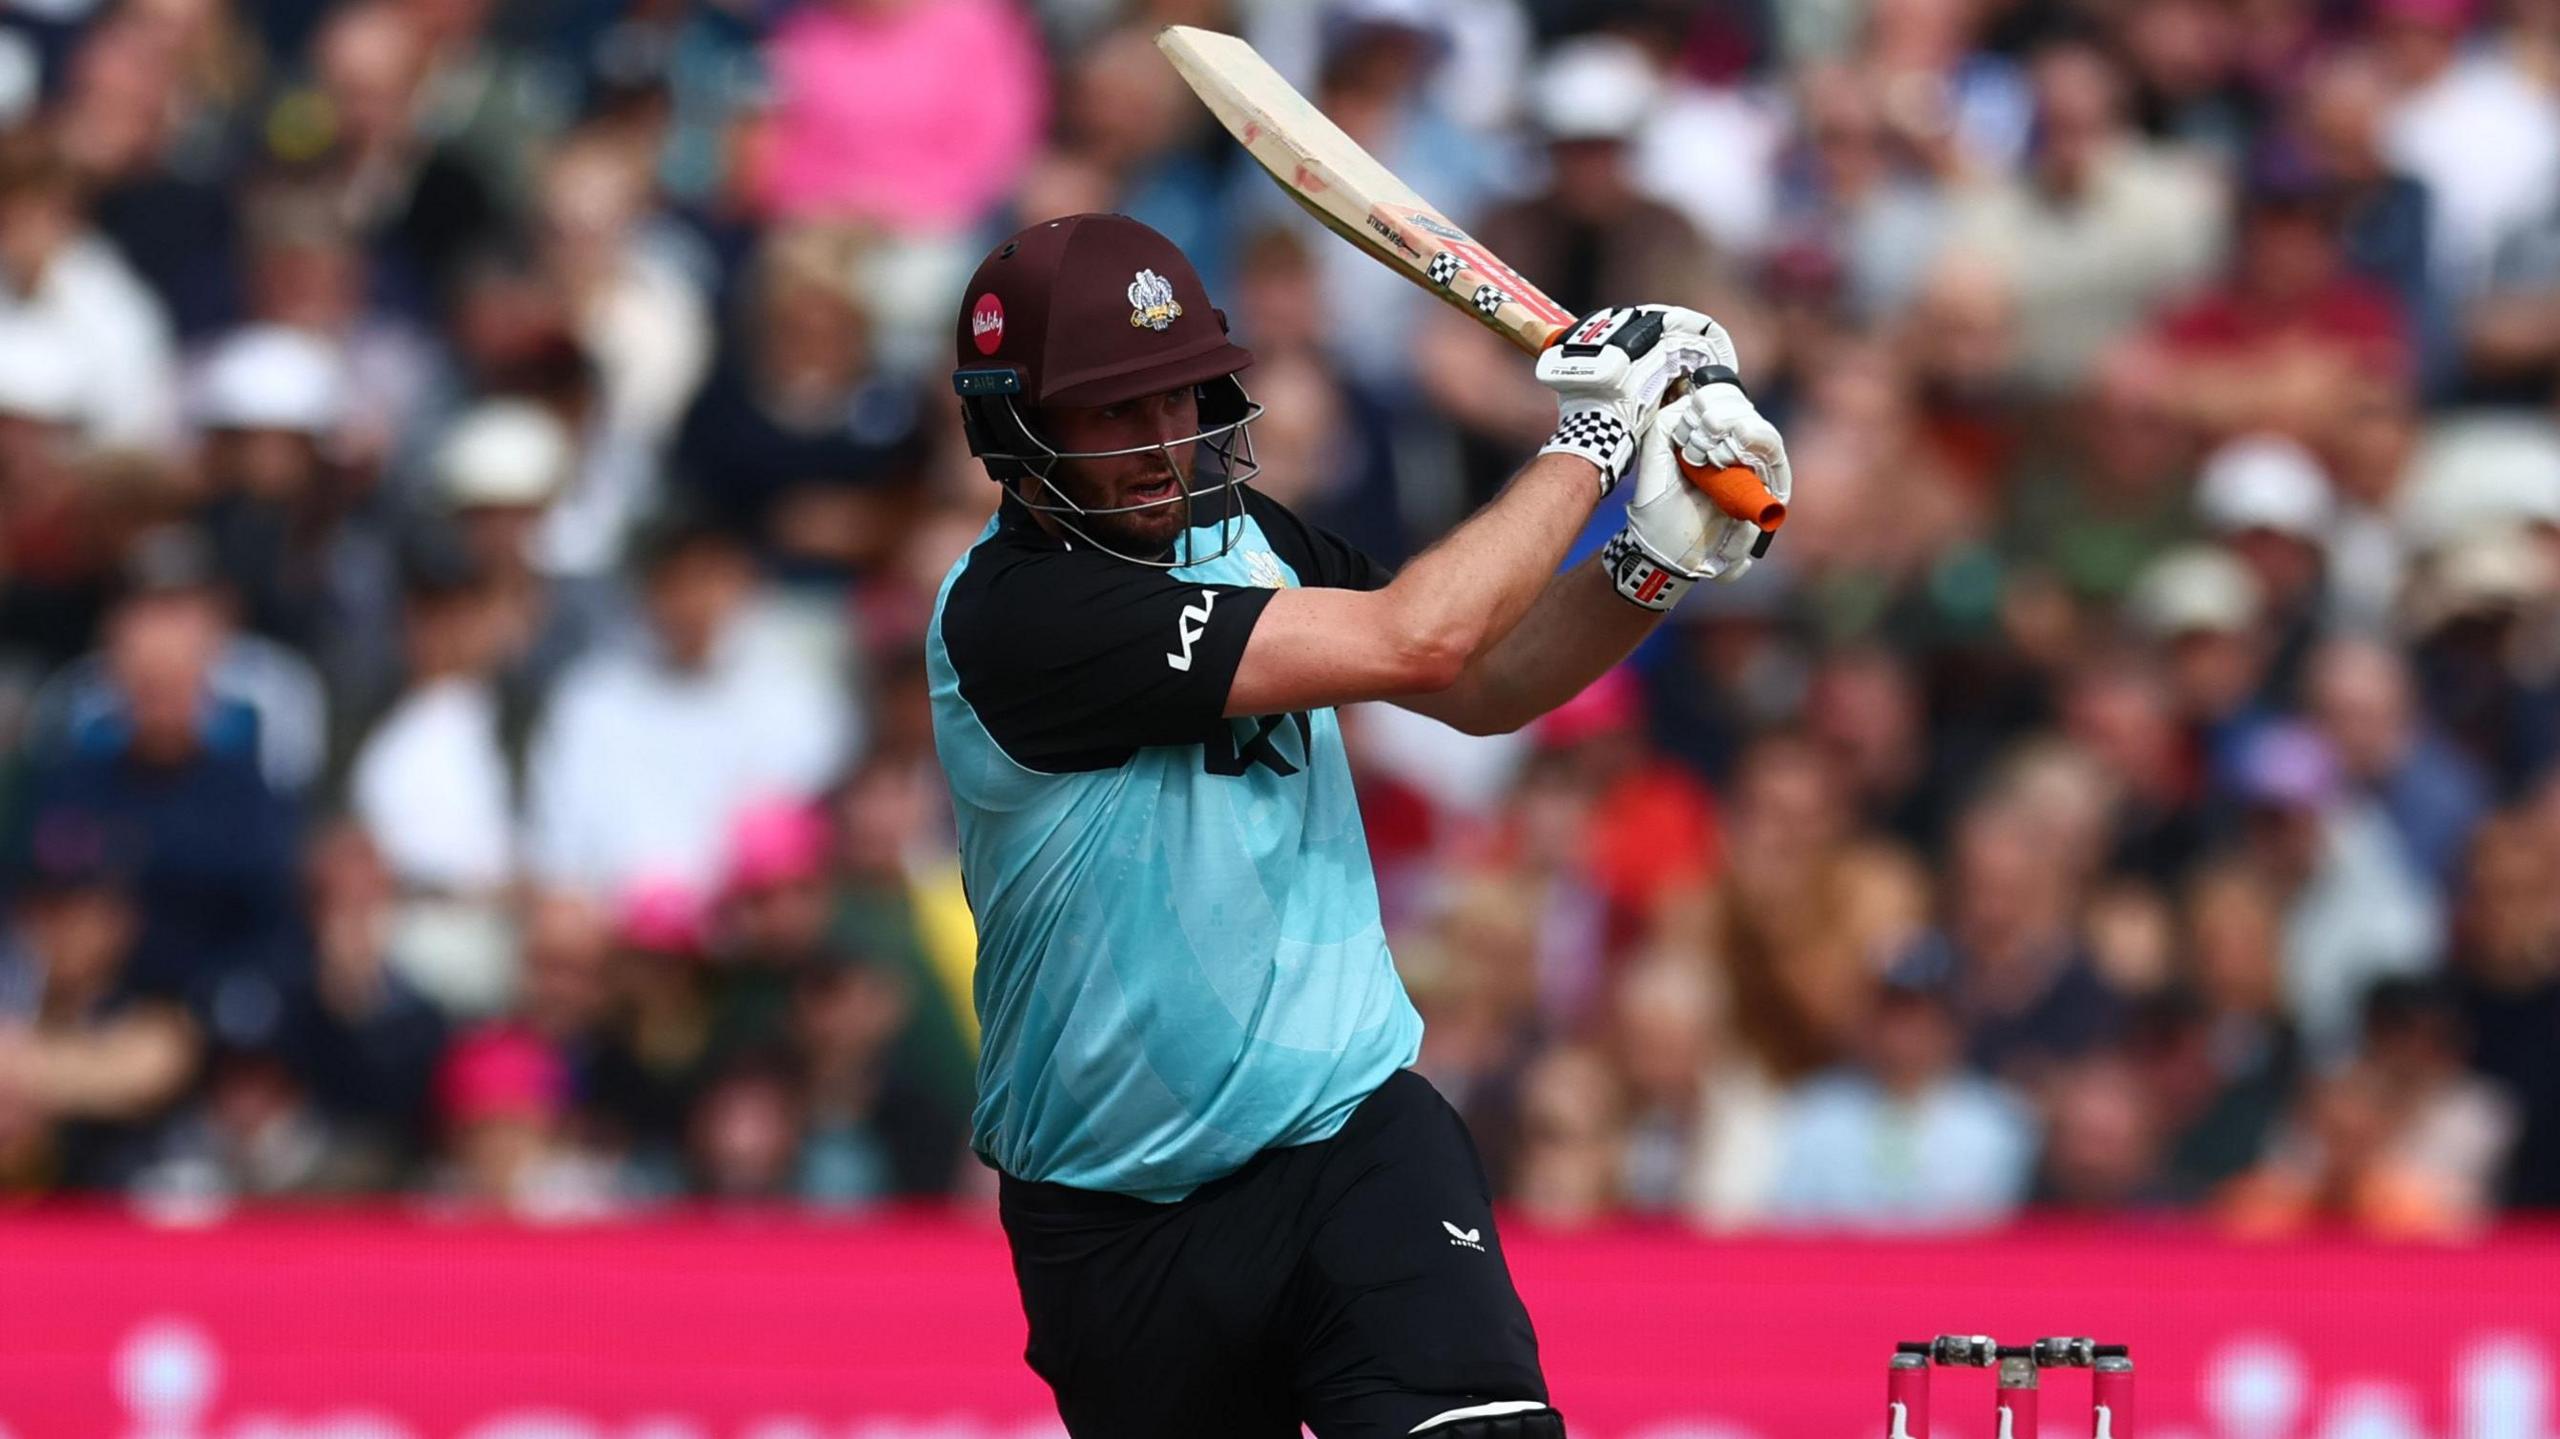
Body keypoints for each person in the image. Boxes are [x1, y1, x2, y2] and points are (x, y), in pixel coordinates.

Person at [930, 213, 1790, 1438]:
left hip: (1346, 1135)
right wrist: (1596, 439)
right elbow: (1418, 635)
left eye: (1173, 399)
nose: (1162, 445)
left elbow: (1479, 685)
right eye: (1112, 414)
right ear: (1014, 431)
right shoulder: (1015, 617)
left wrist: (1654, 558)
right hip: (1112, 1219)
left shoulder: (1253, 538)